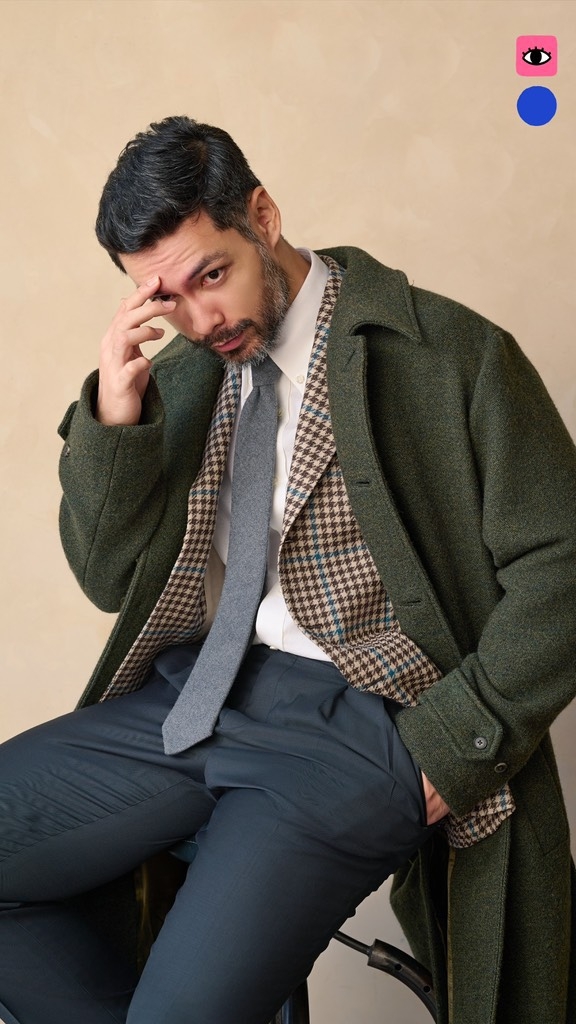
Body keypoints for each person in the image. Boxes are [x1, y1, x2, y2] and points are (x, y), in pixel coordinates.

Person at [0, 115, 575, 1024]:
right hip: (200, 697)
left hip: (363, 726)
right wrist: (114, 413)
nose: (200, 320)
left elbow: (562, 564)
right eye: (165, 298)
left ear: (263, 216)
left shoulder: (448, 353)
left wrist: (458, 741)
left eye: (211, 275)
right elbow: (108, 578)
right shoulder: (181, 378)